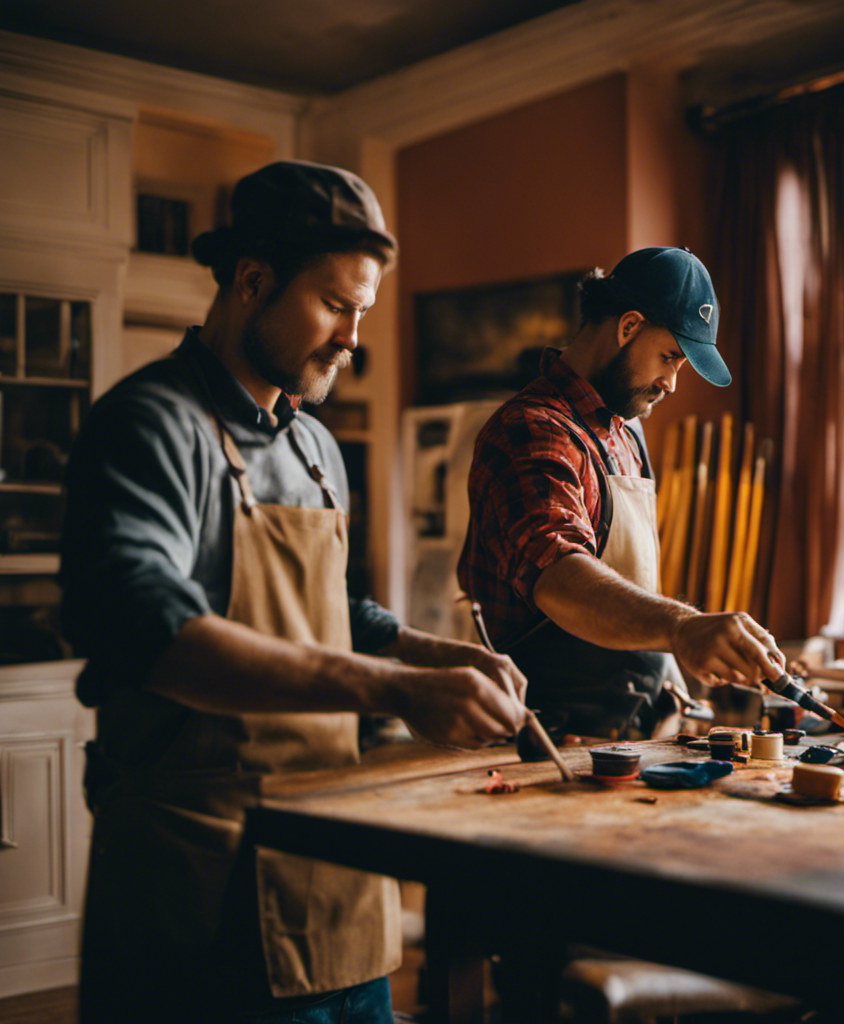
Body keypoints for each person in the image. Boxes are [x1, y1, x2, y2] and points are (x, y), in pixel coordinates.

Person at [60, 160, 528, 1024]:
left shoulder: (315, 448)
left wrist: (432, 652)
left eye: (365, 312)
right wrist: (399, 689)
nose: (353, 337)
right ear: (252, 281)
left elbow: (332, 615)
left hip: (335, 876)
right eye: (336, 306)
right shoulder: (149, 425)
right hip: (202, 889)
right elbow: (146, 629)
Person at [457, 246, 784, 742]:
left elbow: (634, 587)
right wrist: (682, 628)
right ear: (628, 327)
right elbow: (561, 576)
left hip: (629, 738)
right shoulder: (532, 432)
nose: (672, 384)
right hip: (544, 744)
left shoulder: (625, 437)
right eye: (670, 357)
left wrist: (671, 690)